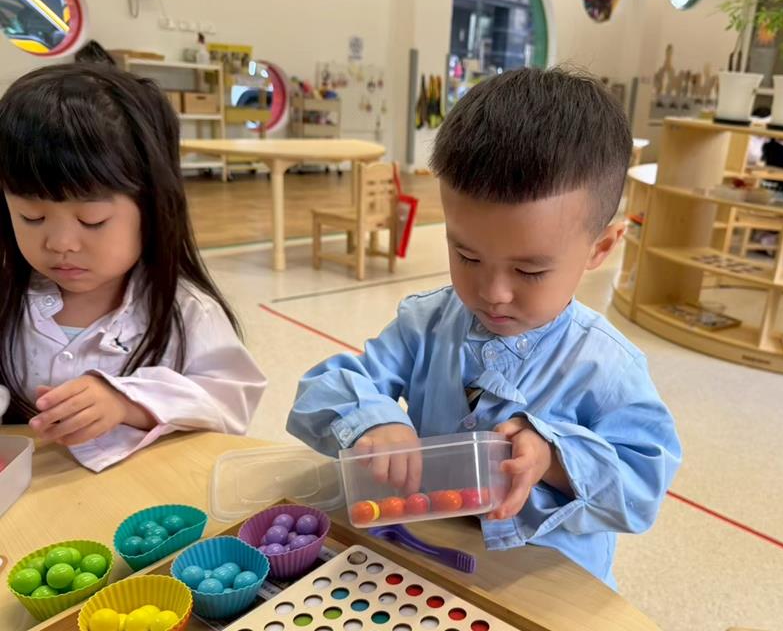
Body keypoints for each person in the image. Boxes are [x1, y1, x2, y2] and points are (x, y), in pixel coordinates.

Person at [288, 68, 682, 588]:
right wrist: (372, 421)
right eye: (467, 256)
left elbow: (642, 489)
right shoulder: (426, 323)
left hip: (546, 582)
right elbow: (321, 391)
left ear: (601, 247)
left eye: (529, 271)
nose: (493, 293)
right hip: (425, 557)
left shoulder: (607, 366)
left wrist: (554, 458)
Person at [0, 64, 266, 471]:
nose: (60, 243)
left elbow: (232, 400)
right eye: (31, 217)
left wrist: (129, 402)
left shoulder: (186, 311)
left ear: (153, 207)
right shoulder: (9, 297)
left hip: (148, 495)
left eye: (92, 220)